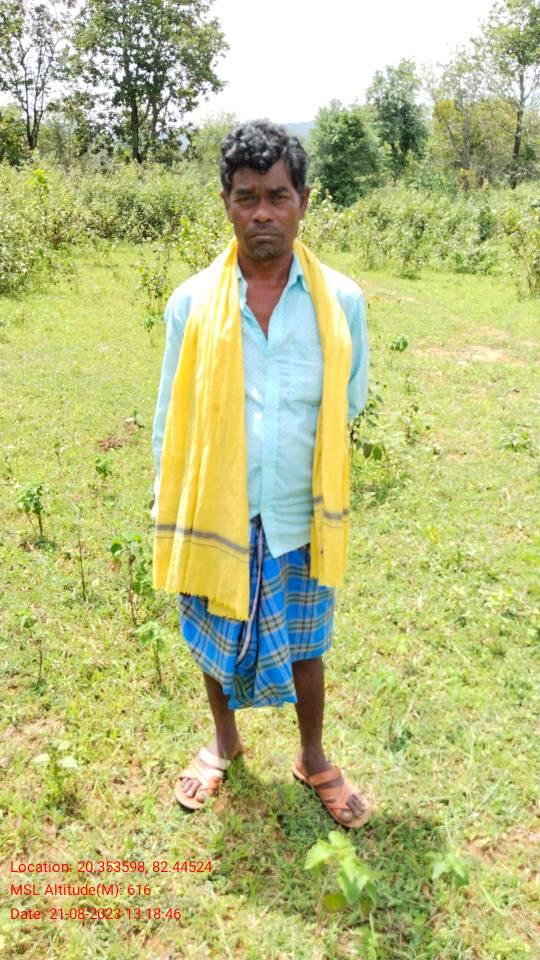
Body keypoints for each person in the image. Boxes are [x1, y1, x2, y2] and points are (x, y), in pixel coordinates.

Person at [152, 120, 371, 828]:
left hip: (300, 509)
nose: (263, 214)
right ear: (226, 204)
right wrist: (167, 501)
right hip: (215, 508)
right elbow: (170, 413)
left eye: (278, 196)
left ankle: (312, 755)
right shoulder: (191, 304)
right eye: (246, 197)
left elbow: (350, 401)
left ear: (303, 201)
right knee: (214, 636)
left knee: (309, 642)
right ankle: (224, 742)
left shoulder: (342, 302)